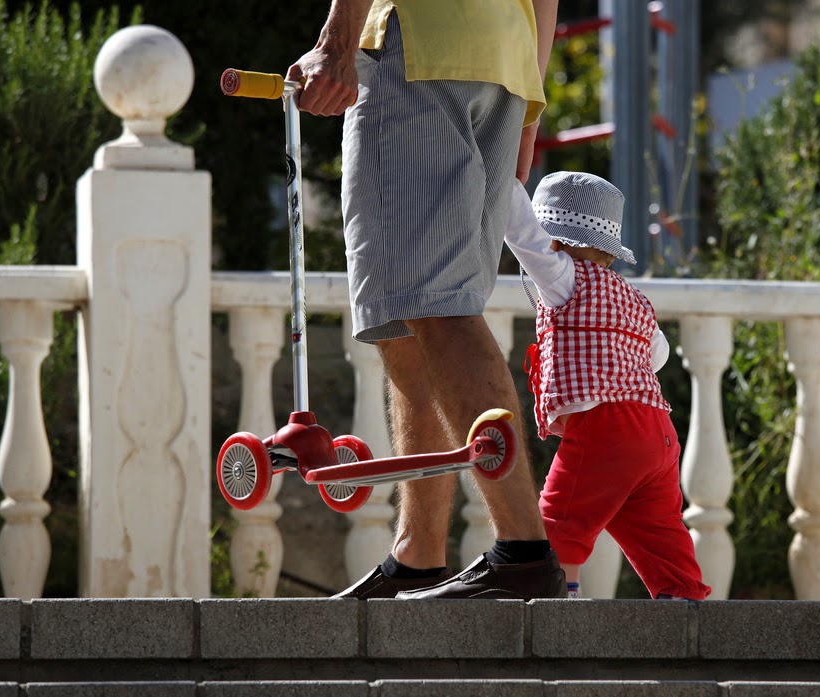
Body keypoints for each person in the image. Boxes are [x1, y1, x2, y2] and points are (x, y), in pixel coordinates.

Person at [286, 0, 566, 599]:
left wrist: (336, 42)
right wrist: (529, 110)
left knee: (437, 308)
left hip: (418, 47)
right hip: (505, 62)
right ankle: (419, 554)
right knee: (414, 315)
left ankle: (523, 549)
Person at [505, 170, 712, 601]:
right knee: (658, 532)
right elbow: (657, 355)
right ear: (608, 251)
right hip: (657, 432)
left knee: (558, 525)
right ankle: (685, 604)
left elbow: (523, 235)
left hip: (606, 430)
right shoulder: (635, 298)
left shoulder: (562, 278)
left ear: (555, 242)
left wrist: (501, 180)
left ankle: (560, 604)